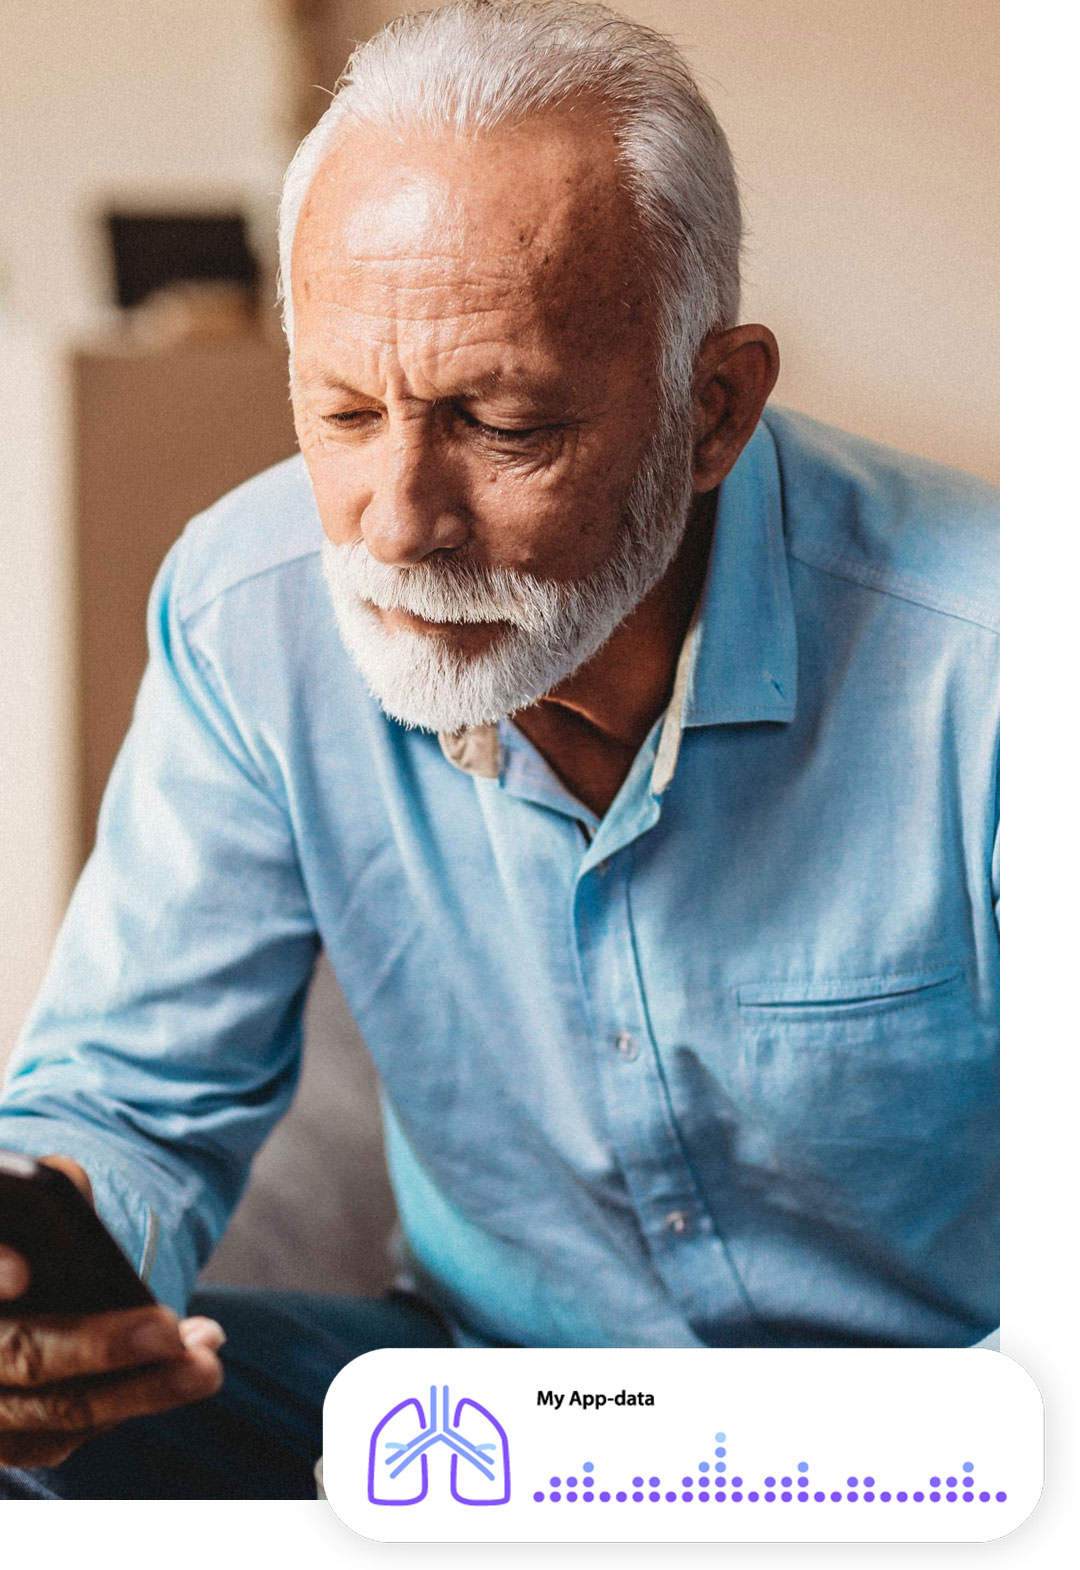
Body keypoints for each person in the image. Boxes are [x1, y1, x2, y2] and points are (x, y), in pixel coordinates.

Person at [0, 0, 997, 1499]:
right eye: (342, 409)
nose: (395, 522)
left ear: (712, 407)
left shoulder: (999, 669)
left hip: (923, 1449)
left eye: (500, 420)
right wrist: (45, 1261)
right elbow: (130, 1099)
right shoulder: (250, 605)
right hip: (486, 1409)